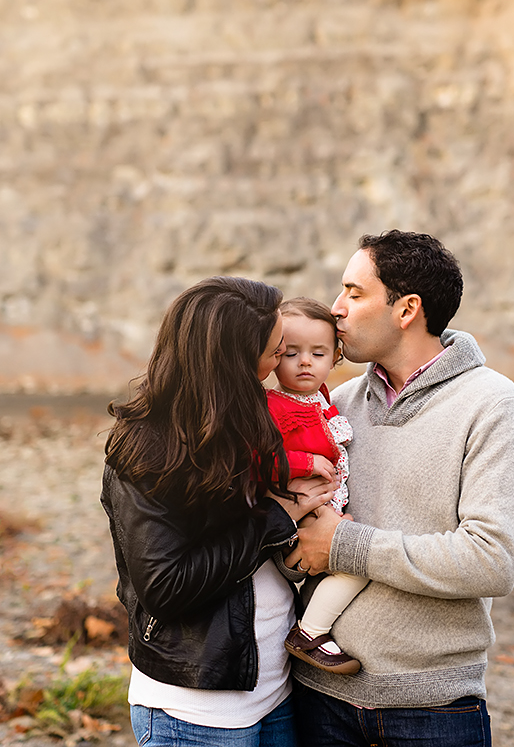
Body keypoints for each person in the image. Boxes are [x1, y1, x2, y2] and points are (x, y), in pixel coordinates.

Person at [284, 231, 514, 747]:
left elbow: (492, 560)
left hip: (431, 712)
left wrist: (346, 546)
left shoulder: (492, 405)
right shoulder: (335, 407)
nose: (336, 310)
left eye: (355, 293)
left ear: (407, 309)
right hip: (317, 700)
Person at [101, 276, 335, 747]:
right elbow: (165, 587)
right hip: (195, 711)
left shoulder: (249, 413)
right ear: (232, 363)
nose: (279, 364)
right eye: (275, 351)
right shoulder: (149, 448)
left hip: (276, 695)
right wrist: (276, 520)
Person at [265, 297, 367, 676]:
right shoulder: (272, 406)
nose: (305, 362)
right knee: (356, 566)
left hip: (321, 506)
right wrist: (305, 462)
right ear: (274, 355)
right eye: (291, 353)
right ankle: (310, 632)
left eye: (318, 353)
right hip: (297, 510)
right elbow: (256, 459)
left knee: (345, 557)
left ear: (335, 357)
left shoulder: (322, 397)